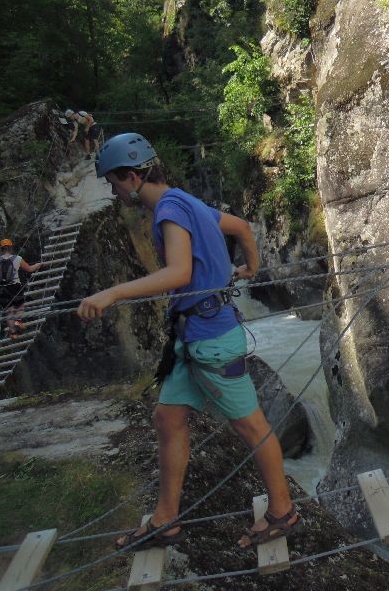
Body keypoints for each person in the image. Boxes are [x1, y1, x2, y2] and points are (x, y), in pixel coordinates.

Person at [76, 133, 304, 550]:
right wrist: (248, 268)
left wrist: (113, 293)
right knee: (167, 417)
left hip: (211, 340)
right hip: (193, 336)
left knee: (252, 427)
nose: (113, 190)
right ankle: (167, 520)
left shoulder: (168, 210)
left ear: (130, 177)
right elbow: (240, 227)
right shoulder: (185, 201)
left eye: (112, 182)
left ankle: (282, 512)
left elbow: (179, 273)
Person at [0, 239, 44, 338]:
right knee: (20, 306)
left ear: (1, 248)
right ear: (11, 247)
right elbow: (30, 269)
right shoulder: (17, 258)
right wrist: (39, 265)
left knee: (9, 310)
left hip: (1, 289)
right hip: (15, 287)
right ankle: (18, 321)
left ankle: (13, 333)